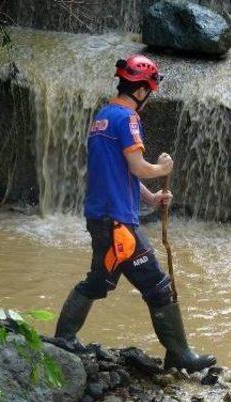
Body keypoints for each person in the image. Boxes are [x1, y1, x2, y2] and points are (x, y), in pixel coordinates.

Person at [54, 54, 216, 372]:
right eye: (149, 92)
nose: (148, 99)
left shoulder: (102, 117)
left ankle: (63, 339)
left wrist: (151, 197)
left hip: (102, 218)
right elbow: (138, 166)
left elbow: (120, 172)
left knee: (99, 281)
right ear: (140, 90)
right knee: (157, 284)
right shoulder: (128, 119)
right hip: (118, 224)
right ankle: (180, 355)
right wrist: (163, 168)